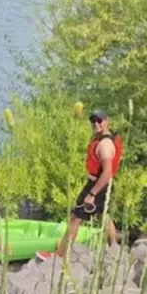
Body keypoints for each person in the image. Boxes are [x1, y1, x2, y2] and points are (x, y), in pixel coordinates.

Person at [37, 109, 123, 261]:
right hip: (104, 186)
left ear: (106, 120)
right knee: (104, 215)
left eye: (99, 120)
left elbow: (107, 172)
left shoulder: (104, 145)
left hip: (97, 186)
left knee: (75, 218)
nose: (96, 123)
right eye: (93, 120)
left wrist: (91, 194)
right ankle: (114, 249)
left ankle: (59, 256)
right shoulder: (104, 138)